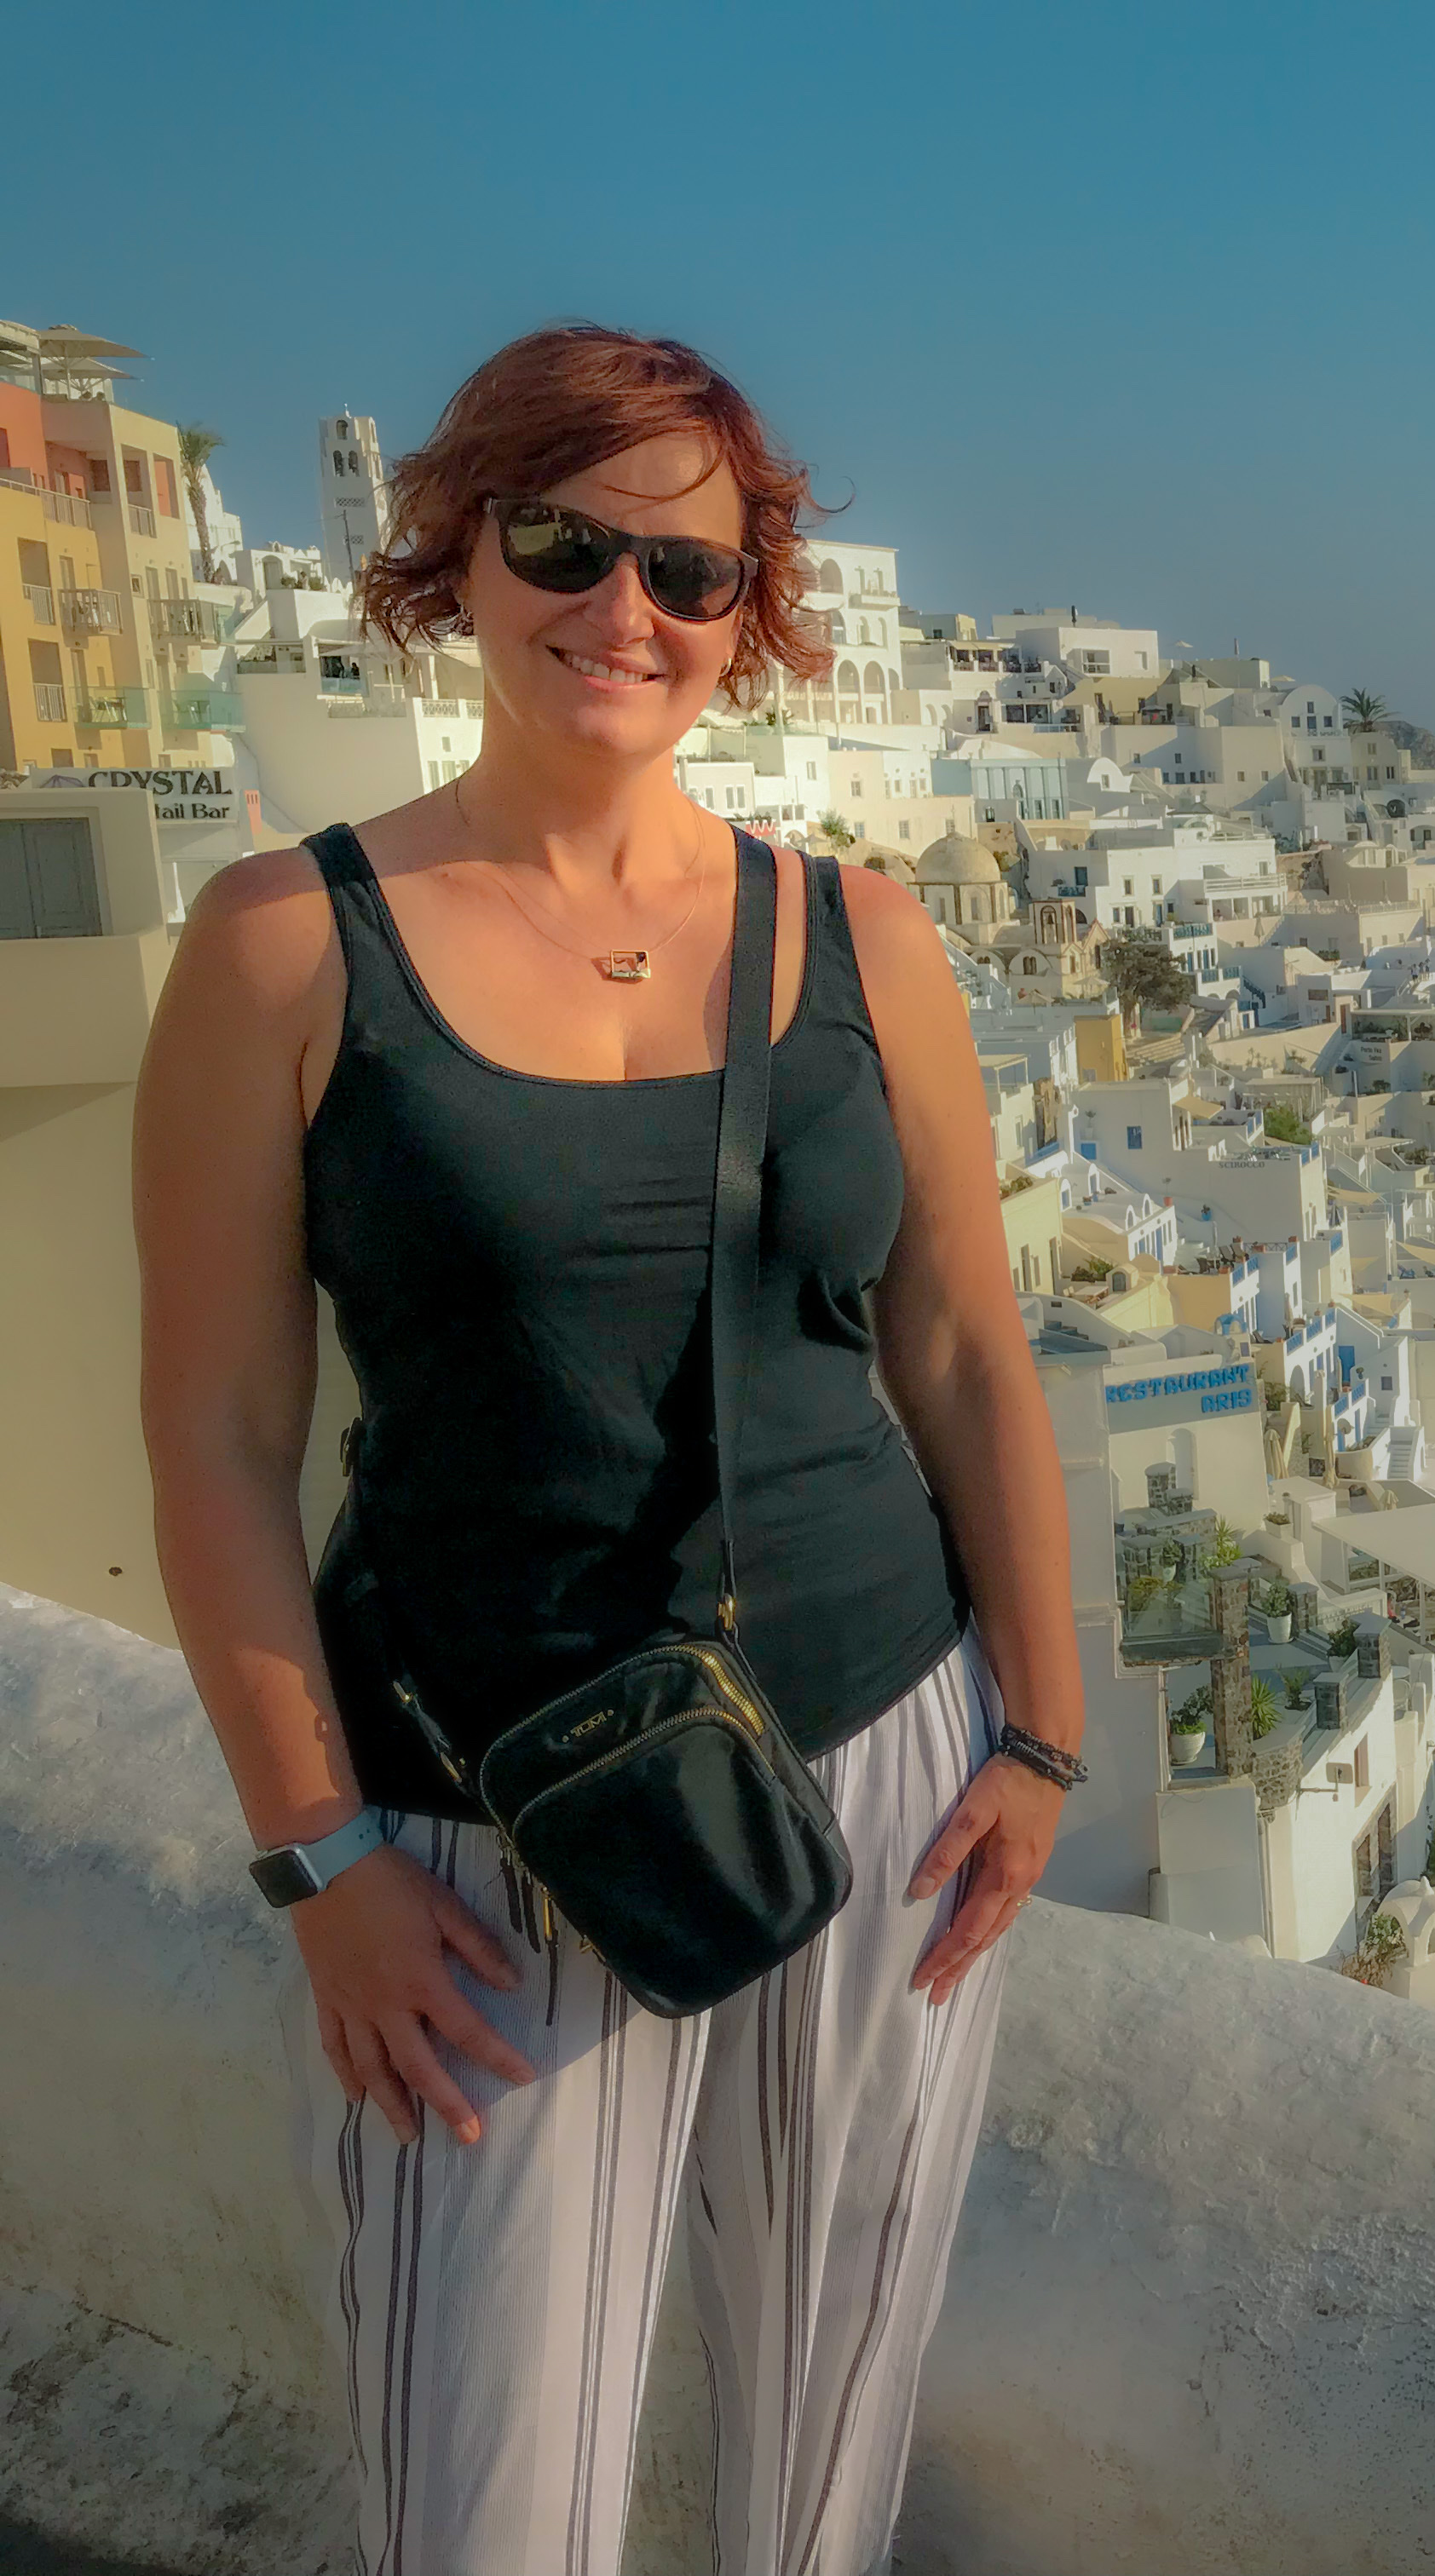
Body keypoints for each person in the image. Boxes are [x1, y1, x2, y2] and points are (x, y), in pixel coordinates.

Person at [131, 325, 1085, 2576]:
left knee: (820, 2453)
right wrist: (318, 1862)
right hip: (477, 1822)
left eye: (690, 569)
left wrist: (1044, 1732)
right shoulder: (287, 947)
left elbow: (963, 1348)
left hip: (874, 1770)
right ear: (456, 554)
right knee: (491, 2509)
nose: (622, 609)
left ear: (750, 613)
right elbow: (217, 1439)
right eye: (562, 542)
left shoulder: (864, 939)